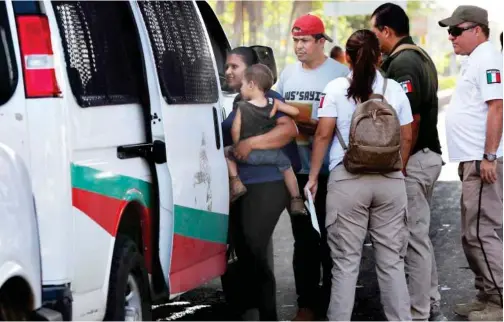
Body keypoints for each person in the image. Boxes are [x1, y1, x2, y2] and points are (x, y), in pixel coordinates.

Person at [305, 29, 413, 321]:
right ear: (379, 56)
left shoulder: (335, 88)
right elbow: (407, 135)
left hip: (348, 180)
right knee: (392, 262)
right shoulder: (394, 89)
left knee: (345, 265)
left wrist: (314, 177)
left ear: (347, 58)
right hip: (390, 181)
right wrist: (397, 170)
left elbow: (323, 135)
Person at [370, 3, 445, 321]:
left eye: (374, 32)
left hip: (414, 160)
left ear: (386, 31)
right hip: (423, 158)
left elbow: (409, 120)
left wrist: (399, 165)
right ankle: (429, 302)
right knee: (418, 236)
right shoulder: (418, 55)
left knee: (413, 237)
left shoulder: (404, 63)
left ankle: (419, 312)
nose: (374, 40)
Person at [275, 14, 350, 320]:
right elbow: (274, 109)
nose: (299, 47)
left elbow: (344, 123)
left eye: (305, 40)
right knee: (303, 239)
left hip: (332, 172)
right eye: (296, 41)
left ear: (321, 41)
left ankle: (333, 303)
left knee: (333, 240)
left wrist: (308, 124)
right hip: (297, 171)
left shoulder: (340, 75)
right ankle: (306, 304)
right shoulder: (288, 74)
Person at [221, 46, 298, 321]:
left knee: (254, 249)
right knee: (244, 251)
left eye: (235, 67)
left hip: (268, 184)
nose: (228, 71)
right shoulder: (238, 101)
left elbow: (289, 130)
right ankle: (249, 311)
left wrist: (249, 143)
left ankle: (268, 315)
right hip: (243, 187)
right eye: (227, 66)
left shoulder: (269, 98)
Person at [439, 5, 503, 321]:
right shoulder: (475, 60)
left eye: (456, 30)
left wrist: (489, 157)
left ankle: (499, 301)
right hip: (473, 160)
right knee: (471, 233)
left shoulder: (488, 58)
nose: (451, 37)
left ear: (476, 29)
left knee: (482, 232)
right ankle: (485, 295)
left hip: (483, 160)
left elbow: (496, 108)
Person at [225, 63, 306, 215]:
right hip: (271, 155)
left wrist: (238, 145)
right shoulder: (273, 103)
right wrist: (280, 108)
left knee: (226, 153)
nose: (240, 88)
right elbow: (295, 112)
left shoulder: (242, 107)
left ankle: (236, 182)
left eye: (242, 84)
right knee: (287, 167)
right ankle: (296, 199)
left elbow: (235, 129)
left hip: (247, 155)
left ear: (251, 85)